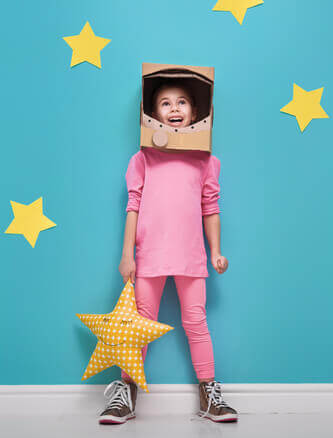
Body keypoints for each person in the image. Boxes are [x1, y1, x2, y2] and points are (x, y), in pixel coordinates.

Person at [98, 81, 237, 424]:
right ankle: (125, 394)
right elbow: (133, 206)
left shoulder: (206, 160)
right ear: (152, 112)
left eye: (182, 102)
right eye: (165, 103)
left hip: (190, 256)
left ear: (196, 111)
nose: (174, 109)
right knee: (138, 326)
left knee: (196, 323)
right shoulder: (143, 157)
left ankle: (209, 393)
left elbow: (210, 207)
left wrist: (216, 251)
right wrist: (127, 254)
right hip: (149, 256)